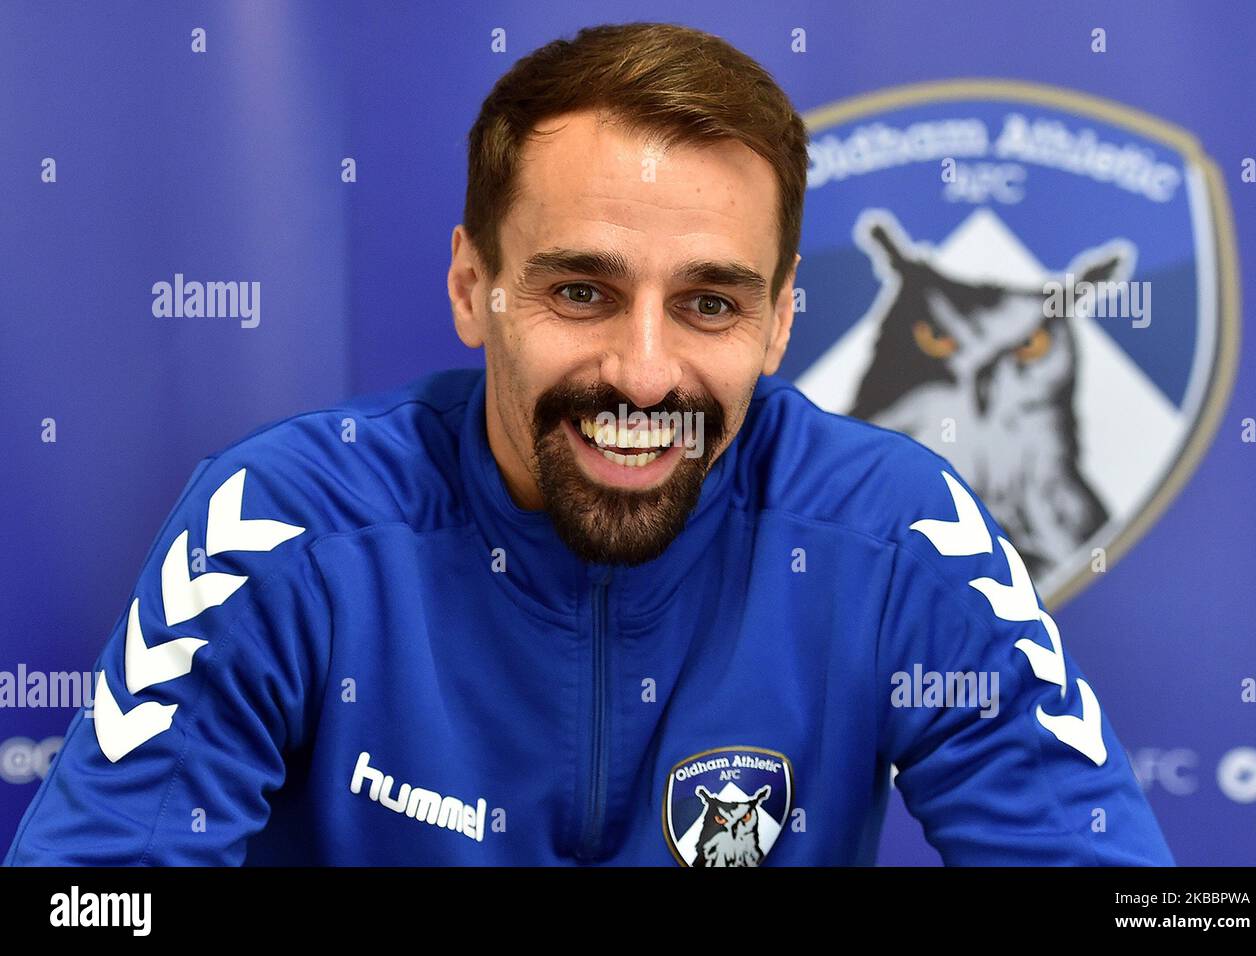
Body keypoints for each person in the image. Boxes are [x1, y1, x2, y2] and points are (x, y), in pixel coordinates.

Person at [4, 21, 1173, 866]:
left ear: (777, 323)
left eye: (710, 303)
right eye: (580, 290)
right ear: (474, 288)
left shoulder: (892, 528)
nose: (644, 370)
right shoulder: (281, 520)